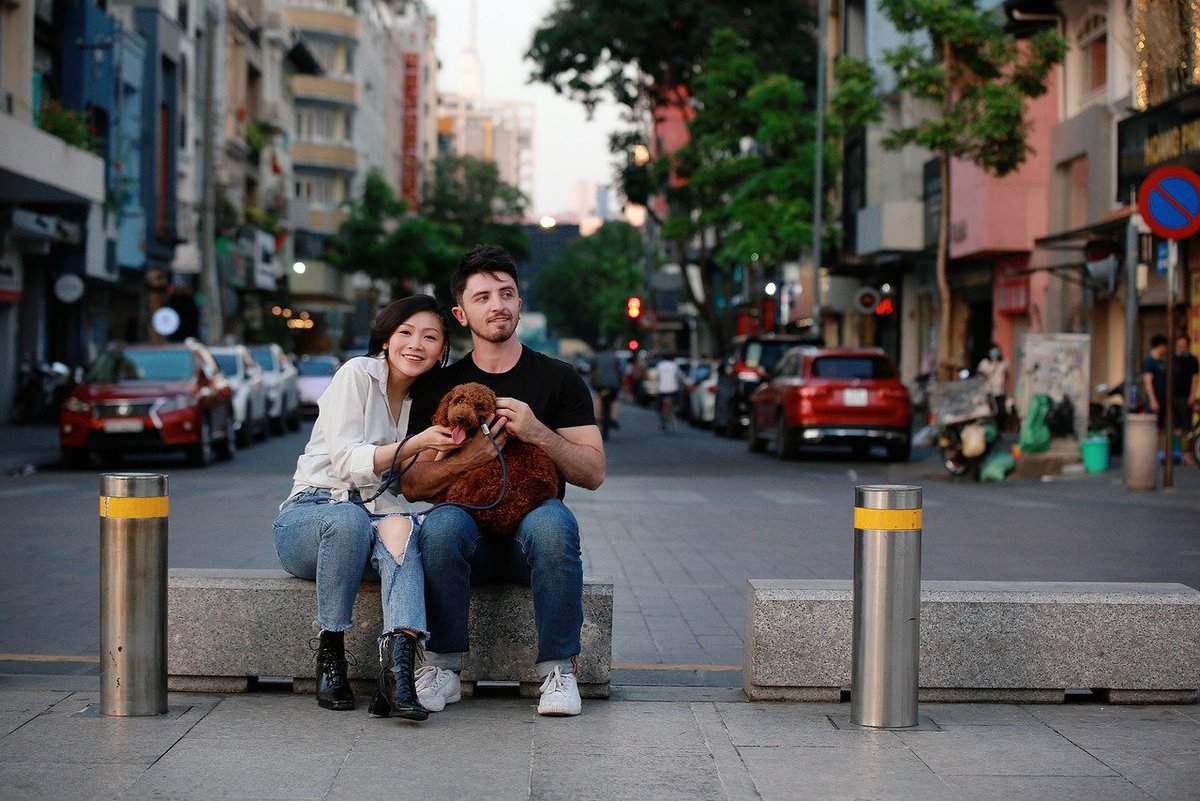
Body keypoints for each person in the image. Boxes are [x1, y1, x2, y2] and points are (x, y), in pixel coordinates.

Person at [402, 245, 605, 717]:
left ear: (520, 302)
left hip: (530, 538)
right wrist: (470, 457)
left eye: (507, 294)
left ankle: (558, 672)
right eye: (483, 297)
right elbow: (413, 486)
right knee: (440, 526)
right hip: (465, 540)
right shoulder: (439, 386)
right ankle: (441, 667)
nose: (498, 305)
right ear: (461, 313)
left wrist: (538, 433)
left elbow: (593, 473)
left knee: (555, 525)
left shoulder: (559, 379)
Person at [272, 295, 463, 722]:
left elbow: (411, 489)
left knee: (403, 532)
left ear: (442, 349)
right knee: (347, 520)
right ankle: (330, 655)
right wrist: (413, 445)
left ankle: (397, 674)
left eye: (430, 337)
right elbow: (345, 462)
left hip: (374, 517)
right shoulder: (357, 374)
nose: (417, 345)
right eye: (406, 333)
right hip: (312, 514)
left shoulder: (425, 401)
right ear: (387, 337)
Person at [1171, 334, 1199, 465]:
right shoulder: (1172, 359)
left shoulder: (1192, 359)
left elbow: (1195, 378)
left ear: (1187, 345)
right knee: (1175, 427)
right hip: (1172, 397)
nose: (1181, 347)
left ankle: (1187, 455)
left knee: (1187, 427)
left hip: (1185, 397)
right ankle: (1177, 454)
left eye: (1184, 345)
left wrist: (1192, 395)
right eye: (1179, 344)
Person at [591, 344, 624, 440]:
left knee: (599, 399)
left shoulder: (596, 357)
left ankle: (598, 418)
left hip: (600, 385)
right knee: (614, 400)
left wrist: (593, 383)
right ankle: (613, 418)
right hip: (613, 384)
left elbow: (593, 372)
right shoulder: (615, 357)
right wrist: (619, 383)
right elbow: (619, 371)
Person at [976, 343, 1009, 432]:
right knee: (990, 413)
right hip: (989, 392)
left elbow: (1007, 377)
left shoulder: (1003, 363)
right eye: (993, 350)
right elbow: (980, 377)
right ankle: (991, 431)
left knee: (1001, 413)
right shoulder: (984, 363)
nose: (995, 352)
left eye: (996, 350)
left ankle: (1001, 430)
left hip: (1000, 392)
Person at [1141, 334, 1169, 428]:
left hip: (1162, 400)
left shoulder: (1161, 362)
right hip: (1154, 401)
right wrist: (1153, 400)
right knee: (1152, 426)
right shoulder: (1149, 361)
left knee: (1160, 427)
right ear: (1160, 346)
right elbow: (1148, 382)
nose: (1166, 349)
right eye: (1165, 346)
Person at [654, 354, 682, 432]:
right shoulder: (675, 365)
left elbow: (656, 376)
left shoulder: (660, 365)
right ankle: (674, 411)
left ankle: (662, 421)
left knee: (659, 407)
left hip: (662, 390)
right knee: (676, 403)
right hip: (673, 389)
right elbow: (679, 376)